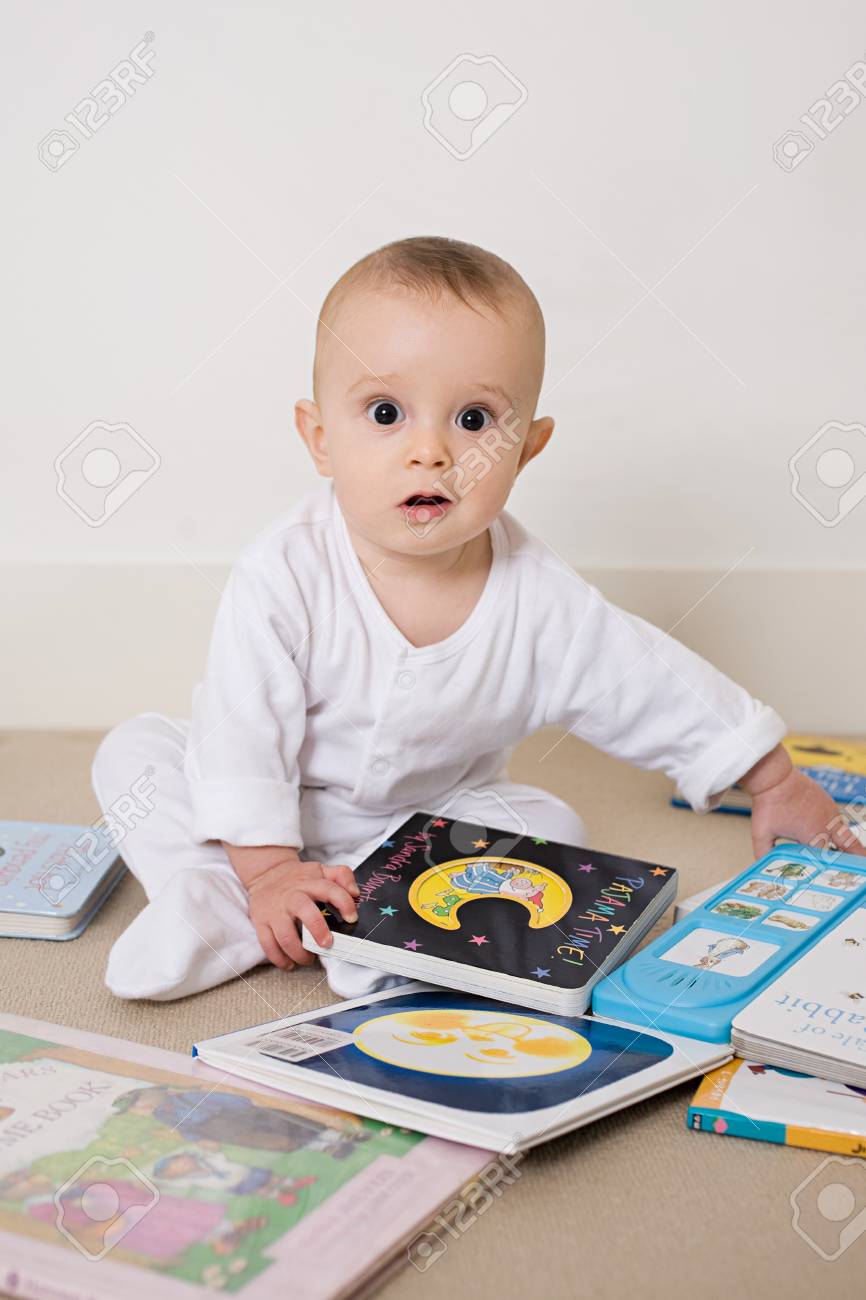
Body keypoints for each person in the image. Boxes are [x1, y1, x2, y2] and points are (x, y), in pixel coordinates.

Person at [92, 235, 863, 1002]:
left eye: (473, 420)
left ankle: (378, 925)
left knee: (548, 821)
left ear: (528, 448)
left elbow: (644, 679)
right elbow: (242, 729)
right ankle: (226, 898)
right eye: (386, 412)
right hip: (259, 816)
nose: (430, 451)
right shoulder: (284, 570)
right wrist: (266, 867)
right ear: (321, 438)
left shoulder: (538, 598)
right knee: (136, 753)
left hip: (420, 832)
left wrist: (771, 777)